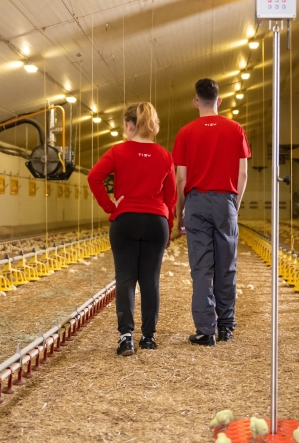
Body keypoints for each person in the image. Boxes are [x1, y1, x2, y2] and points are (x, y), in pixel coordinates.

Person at [88, 102, 176, 356]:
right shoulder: (164, 155)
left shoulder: (117, 152)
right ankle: (148, 337)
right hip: (155, 222)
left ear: (129, 126)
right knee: (150, 280)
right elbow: (170, 198)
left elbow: (94, 177)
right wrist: (167, 228)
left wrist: (110, 206)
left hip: (125, 220)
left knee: (125, 279)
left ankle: (126, 337)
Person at [172, 78, 250, 346]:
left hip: (196, 201)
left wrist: (180, 212)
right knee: (226, 266)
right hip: (225, 200)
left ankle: (206, 331)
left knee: (202, 268)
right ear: (219, 100)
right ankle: (226, 327)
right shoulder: (235, 129)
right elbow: (242, 173)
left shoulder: (185, 133)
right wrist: (234, 207)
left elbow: (180, 179)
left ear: (195, 101)